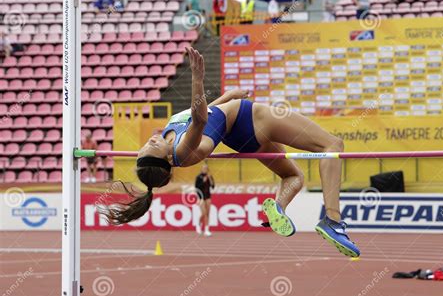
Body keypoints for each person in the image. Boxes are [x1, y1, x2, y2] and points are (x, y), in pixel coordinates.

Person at [100, 47, 361, 258]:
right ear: (167, 160)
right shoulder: (182, 150)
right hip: (251, 119)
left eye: (145, 145)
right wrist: (197, 80)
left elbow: (208, 115)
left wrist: (226, 96)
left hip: (241, 137)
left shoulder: (171, 139)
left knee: (293, 177)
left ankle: (278, 207)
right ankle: (333, 221)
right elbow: (200, 120)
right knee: (332, 145)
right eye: (152, 148)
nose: (150, 141)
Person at [194, 164, 215, 236]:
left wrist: (210, 180)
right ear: (201, 169)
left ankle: (206, 229)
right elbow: (196, 187)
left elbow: (213, 187)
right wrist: (203, 181)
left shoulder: (209, 177)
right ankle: (198, 225)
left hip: (208, 196)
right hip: (201, 197)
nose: (204, 170)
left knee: (208, 213)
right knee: (204, 213)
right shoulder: (198, 177)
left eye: (206, 168)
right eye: (203, 168)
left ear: (207, 170)